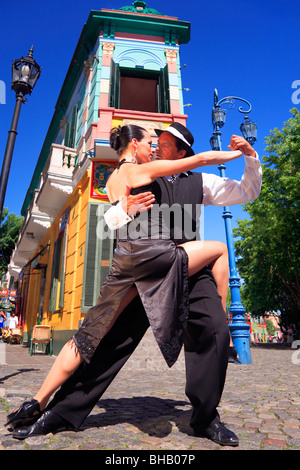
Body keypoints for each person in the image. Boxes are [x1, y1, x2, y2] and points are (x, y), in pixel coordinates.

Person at [9, 123, 261, 447]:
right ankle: (57, 413)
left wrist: (251, 158)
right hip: (145, 267)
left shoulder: (200, 182)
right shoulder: (137, 172)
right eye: (154, 142)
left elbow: (247, 191)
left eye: (165, 144)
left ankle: (205, 419)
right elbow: (112, 221)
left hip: (186, 265)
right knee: (107, 342)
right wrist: (122, 212)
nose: (156, 147)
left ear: (181, 152)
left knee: (215, 331)